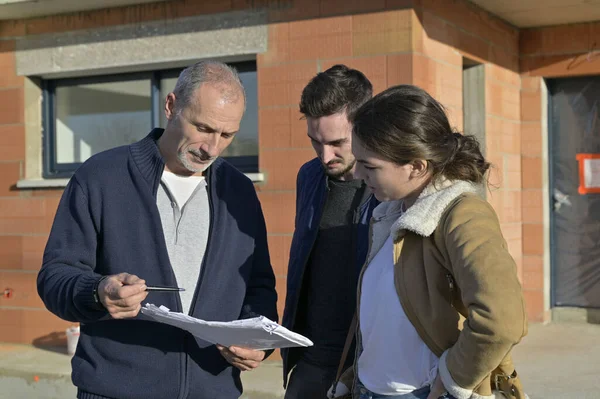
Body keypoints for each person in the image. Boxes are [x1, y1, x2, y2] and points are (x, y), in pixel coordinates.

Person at [37, 60, 278, 399]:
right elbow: (55, 277)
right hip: (114, 391)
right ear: (170, 106)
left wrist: (258, 344)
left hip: (213, 391)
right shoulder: (101, 176)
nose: (212, 147)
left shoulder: (239, 192)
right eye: (203, 128)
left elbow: (259, 287)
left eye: (227, 135)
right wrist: (97, 291)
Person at [330, 85, 527, 399]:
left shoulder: (463, 215)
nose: (358, 175)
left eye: (370, 166)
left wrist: (450, 382)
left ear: (417, 166)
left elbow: (502, 319)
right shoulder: (392, 213)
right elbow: (393, 317)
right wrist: (356, 375)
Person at [281, 64, 379, 399]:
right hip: (309, 361)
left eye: (338, 143)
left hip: (370, 367)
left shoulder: (392, 187)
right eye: (315, 141)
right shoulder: (308, 177)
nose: (325, 156)